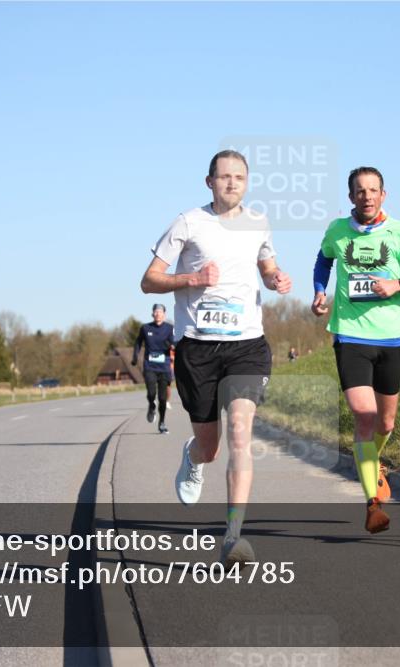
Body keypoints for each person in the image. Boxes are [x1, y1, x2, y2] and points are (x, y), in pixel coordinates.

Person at [140, 149, 292, 566]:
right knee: (211, 447)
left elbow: (266, 265)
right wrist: (191, 278)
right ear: (209, 182)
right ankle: (193, 457)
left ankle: (233, 536)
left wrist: (275, 277)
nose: (231, 184)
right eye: (223, 177)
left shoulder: (259, 222)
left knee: (241, 435)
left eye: (239, 177)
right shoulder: (188, 223)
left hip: (246, 344)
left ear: (247, 182)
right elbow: (148, 280)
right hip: (198, 348)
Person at [311, 166, 400, 534]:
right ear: (350, 197)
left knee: (386, 423)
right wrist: (320, 291)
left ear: (383, 195)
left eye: (373, 190)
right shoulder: (337, 231)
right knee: (364, 416)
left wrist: (399, 284)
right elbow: (324, 260)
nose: (366, 196)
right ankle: (372, 503)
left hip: (390, 341)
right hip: (349, 336)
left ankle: (374, 463)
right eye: (359, 191)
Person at [132, 304, 175, 434]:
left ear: (164, 315)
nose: (158, 314)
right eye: (156, 312)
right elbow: (138, 342)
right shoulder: (146, 328)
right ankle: (151, 406)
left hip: (164, 367)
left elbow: (174, 342)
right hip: (150, 366)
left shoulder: (169, 328)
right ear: (152, 314)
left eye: (160, 312)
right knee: (151, 393)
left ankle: (162, 423)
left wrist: (172, 345)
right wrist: (135, 357)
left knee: (162, 398)